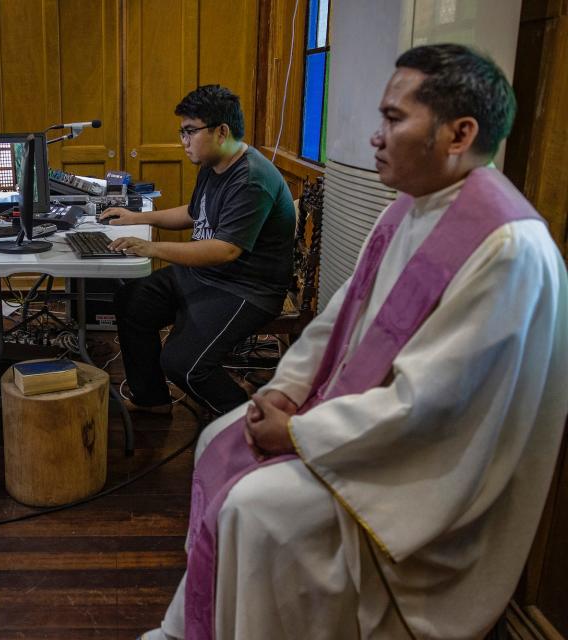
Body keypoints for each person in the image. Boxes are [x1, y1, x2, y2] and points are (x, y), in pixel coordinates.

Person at [140, 44, 568, 640]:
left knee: (258, 510)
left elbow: (436, 403)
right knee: (218, 437)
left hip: (416, 474)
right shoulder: (408, 210)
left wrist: (299, 433)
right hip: (358, 426)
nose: (375, 136)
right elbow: (340, 319)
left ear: (459, 133)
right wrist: (285, 390)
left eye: (394, 119)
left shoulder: (508, 248)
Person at [103, 85, 295, 416]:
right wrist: (137, 217)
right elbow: (194, 214)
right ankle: (152, 400)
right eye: (182, 131)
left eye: (190, 131)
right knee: (132, 300)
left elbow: (225, 250)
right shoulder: (212, 164)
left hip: (246, 288)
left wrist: (151, 247)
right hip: (207, 275)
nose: (183, 140)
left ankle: (247, 423)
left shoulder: (251, 178)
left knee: (184, 364)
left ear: (222, 131)